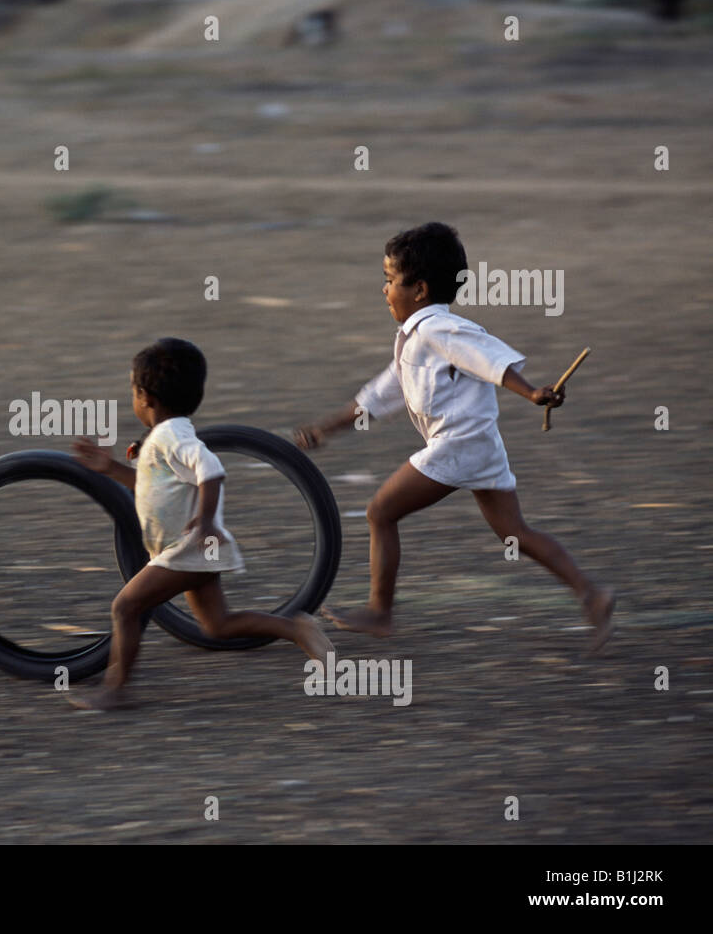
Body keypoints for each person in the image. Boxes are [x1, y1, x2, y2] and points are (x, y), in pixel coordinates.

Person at [294, 222, 615, 651]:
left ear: (420, 290)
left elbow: (487, 357)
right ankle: (592, 593)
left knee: (380, 513)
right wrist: (325, 429)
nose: (384, 290)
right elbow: (380, 395)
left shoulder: (435, 329)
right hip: (480, 446)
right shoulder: (415, 339)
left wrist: (532, 392)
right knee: (514, 533)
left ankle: (380, 611)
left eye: (390, 281)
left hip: (458, 446)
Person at [69, 337, 334, 710]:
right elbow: (150, 487)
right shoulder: (167, 436)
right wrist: (109, 468)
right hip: (194, 548)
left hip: (187, 548)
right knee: (217, 625)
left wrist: (206, 523)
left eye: (131, 391)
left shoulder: (170, 435)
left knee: (125, 608)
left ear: (145, 397)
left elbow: (211, 469)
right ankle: (296, 627)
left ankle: (116, 689)